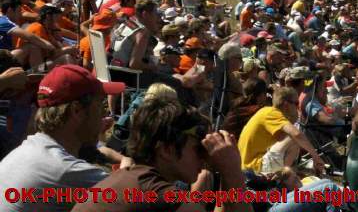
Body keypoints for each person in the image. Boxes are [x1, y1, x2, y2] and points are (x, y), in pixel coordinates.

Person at [71, 99, 251, 212]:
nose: (205, 158)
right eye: (199, 149)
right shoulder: (159, 195)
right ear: (166, 149)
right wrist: (232, 170)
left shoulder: (133, 178)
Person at [0, 65, 125, 212]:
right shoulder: (66, 171)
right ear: (76, 110)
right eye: (101, 106)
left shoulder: (25, 150)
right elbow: (142, 198)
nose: (104, 116)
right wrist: (128, 169)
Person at [237, 86, 325, 174]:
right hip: (256, 166)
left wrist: (293, 118)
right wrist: (316, 157)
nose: (297, 107)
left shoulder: (267, 112)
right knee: (295, 137)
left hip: (248, 166)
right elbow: (296, 134)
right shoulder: (272, 113)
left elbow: (281, 137)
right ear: (286, 104)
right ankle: (284, 176)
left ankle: (286, 175)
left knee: (294, 138)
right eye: (296, 103)